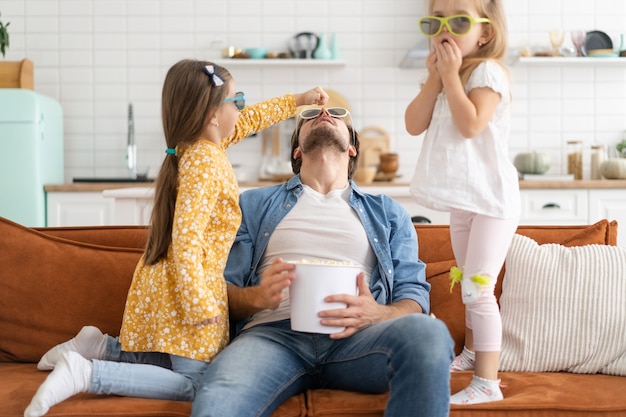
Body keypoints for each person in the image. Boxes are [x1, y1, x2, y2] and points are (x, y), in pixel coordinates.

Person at [24, 59, 328, 417]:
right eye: (237, 100)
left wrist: (299, 99)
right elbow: (186, 240)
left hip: (167, 283)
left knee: (165, 360)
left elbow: (251, 119)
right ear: (213, 115)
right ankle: (88, 373)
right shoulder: (206, 162)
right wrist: (200, 303)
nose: (242, 108)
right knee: (199, 383)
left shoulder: (200, 147)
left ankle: (101, 346)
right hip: (188, 287)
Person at [189, 106, 454, 417]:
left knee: (430, 334)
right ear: (298, 150)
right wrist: (256, 297)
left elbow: (414, 295)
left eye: (337, 113)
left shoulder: (388, 212)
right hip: (272, 338)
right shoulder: (252, 204)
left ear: (352, 147)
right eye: (311, 112)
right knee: (219, 400)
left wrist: (379, 314)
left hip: (359, 340)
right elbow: (220, 294)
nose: (325, 112)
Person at [404, 0, 519, 406]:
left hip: (491, 200)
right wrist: (437, 76)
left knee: (478, 288)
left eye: (457, 20)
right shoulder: (440, 72)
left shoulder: (487, 72)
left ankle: (488, 383)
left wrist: (451, 76)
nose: (444, 29)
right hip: (464, 199)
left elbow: (471, 125)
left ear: (484, 32)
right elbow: (413, 124)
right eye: (435, 21)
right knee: (467, 279)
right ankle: (471, 353)